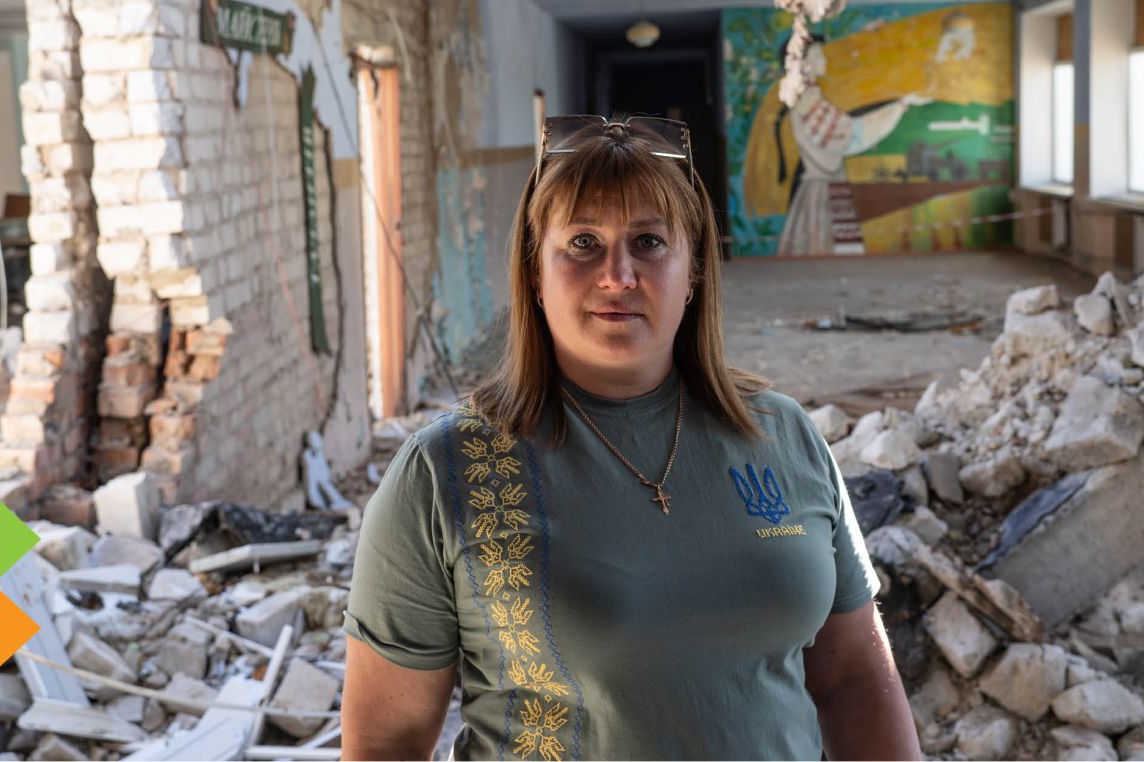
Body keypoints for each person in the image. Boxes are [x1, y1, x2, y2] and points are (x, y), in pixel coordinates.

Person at [340, 114, 920, 760]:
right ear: (534, 272)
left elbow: (856, 675)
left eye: (648, 242)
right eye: (583, 243)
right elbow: (383, 745)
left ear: (694, 269)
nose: (617, 275)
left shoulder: (783, 437)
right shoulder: (443, 475)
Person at [775, 34, 931, 256]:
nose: (824, 60)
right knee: (822, 253)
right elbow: (849, 135)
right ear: (804, 65)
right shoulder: (807, 100)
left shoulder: (808, 97)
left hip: (825, 184)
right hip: (821, 190)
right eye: (818, 55)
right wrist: (899, 106)